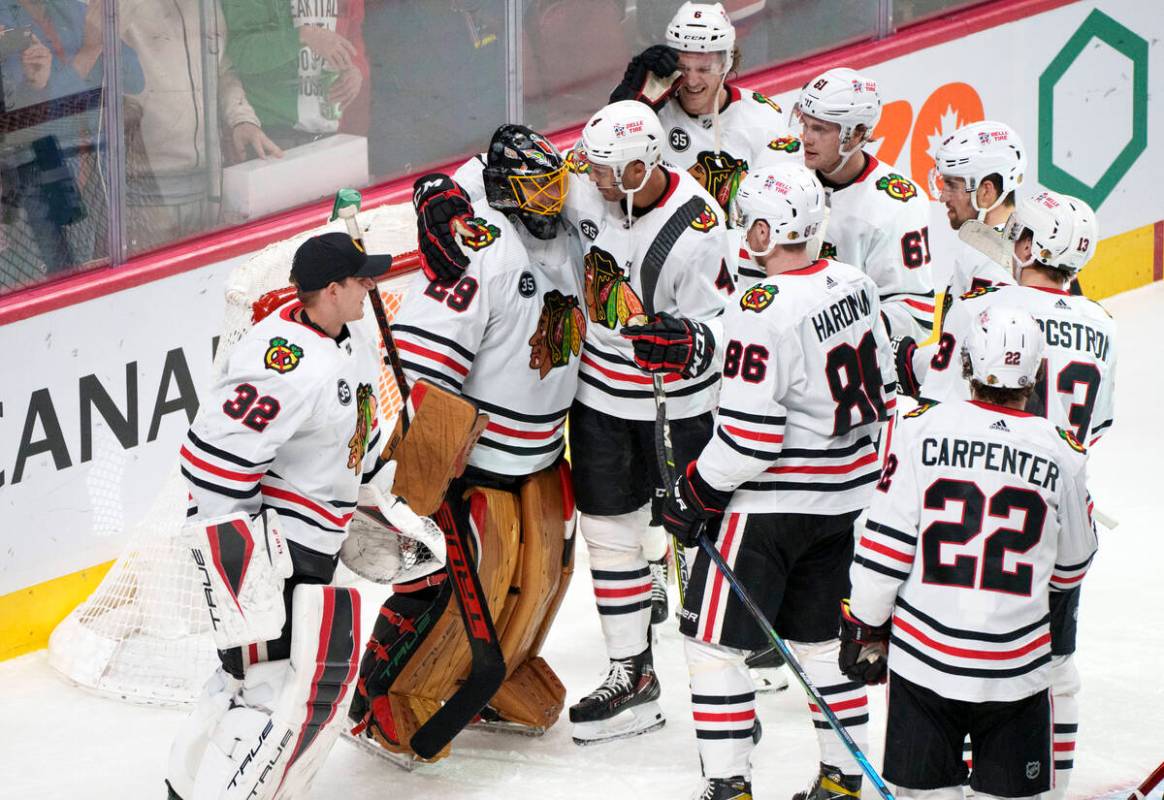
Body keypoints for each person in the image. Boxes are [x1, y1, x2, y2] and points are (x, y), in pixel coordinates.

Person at [349, 125, 586, 756]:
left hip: (541, 454)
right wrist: (431, 466)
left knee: (544, 578)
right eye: (533, 187)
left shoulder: (571, 235)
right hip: (478, 463)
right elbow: (424, 365)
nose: (549, 198)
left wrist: (438, 179)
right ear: (505, 191)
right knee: (464, 586)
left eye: (553, 183)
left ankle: (500, 676)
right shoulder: (481, 248)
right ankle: (385, 696)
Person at [661, 162, 894, 800]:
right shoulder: (854, 282)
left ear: (769, 230)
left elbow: (749, 439)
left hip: (769, 508)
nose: (744, 233)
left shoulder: (758, 306)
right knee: (822, 642)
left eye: (751, 223)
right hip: (847, 500)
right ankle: (844, 779)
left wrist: (695, 489)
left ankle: (728, 786)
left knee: (711, 645)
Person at [166, 232, 399, 799]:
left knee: (258, 683)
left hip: (313, 543)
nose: (372, 284)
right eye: (360, 277)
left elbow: (355, 444)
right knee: (269, 688)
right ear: (330, 289)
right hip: (277, 551)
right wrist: (241, 572)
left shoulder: (351, 338)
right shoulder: (286, 362)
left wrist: (374, 504)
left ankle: (184, 786)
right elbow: (212, 463)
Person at [843, 306, 1098, 800]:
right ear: (1037, 371)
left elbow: (884, 547)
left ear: (967, 365)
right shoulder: (1062, 451)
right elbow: (1073, 566)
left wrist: (865, 628)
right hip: (1016, 670)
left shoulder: (919, 428)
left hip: (925, 663)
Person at [908, 189, 1116, 797]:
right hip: (1051, 511)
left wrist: (906, 359)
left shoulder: (987, 307)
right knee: (1054, 663)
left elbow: (938, 402)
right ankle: (1051, 782)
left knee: (960, 655)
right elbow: (1094, 428)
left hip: (973, 504)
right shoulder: (1101, 323)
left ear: (1027, 245)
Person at [610, 2, 799, 634]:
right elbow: (601, 166)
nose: (694, 75)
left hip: (742, 303)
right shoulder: (649, 122)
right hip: (665, 298)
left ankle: (716, 577)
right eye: (684, 62)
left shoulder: (766, 126)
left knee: (722, 449)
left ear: (729, 59)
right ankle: (662, 566)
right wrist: (628, 95)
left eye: (707, 62)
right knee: (653, 456)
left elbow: (792, 218)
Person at [120, 0, 283, 255]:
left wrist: (242, 119)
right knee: (158, 280)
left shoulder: (208, 7)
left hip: (210, 179)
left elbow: (222, 71)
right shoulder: (123, 7)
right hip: (151, 184)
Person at [610, 2, 799, 216]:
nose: (691, 81)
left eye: (704, 69)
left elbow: (789, 203)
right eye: (682, 68)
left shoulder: (763, 118)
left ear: (727, 64)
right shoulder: (651, 115)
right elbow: (602, 174)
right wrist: (626, 109)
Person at [791, 67, 935, 342]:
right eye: (805, 124)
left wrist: (831, 330)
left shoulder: (898, 205)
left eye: (819, 129)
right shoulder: (781, 168)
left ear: (857, 135)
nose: (806, 138)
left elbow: (916, 314)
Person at [891, 120, 1026, 398]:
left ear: (986, 191)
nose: (942, 196)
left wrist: (906, 360)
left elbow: (967, 369)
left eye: (952, 185)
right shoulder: (1038, 243)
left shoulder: (980, 258)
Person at [222, 0, 369, 150]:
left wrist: (355, 69)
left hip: (330, 134)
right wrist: (304, 35)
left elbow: (353, 33)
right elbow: (241, 52)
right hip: (270, 137)